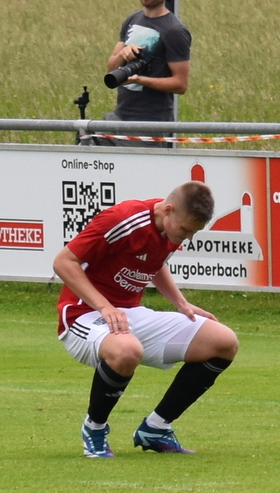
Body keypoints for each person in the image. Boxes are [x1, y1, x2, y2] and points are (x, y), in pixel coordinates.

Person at [54, 181, 238, 457]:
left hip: (128, 313)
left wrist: (181, 303)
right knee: (127, 351)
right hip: (84, 314)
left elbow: (154, 262)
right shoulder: (123, 220)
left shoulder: (170, 227)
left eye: (193, 232)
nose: (187, 237)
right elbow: (63, 262)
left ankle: (156, 428)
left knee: (224, 341)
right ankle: (94, 428)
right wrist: (104, 307)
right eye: (185, 230)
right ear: (168, 210)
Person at [102, 0, 191, 148]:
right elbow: (111, 69)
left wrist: (141, 80)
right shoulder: (132, 20)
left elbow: (180, 84)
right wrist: (123, 55)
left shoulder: (175, 31)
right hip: (120, 117)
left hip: (152, 125)